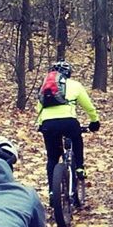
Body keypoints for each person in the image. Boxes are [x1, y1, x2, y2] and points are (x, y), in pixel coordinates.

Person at [37, 61, 100, 196]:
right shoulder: (75, 85)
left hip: (48, 124)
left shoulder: (45, 87)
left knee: (52, 158)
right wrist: (94, 121)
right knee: (77, 139)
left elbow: (39, 108)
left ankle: (52, 192)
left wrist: (41, 125)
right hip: (68, 122)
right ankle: (79, 168)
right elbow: (88, 106)